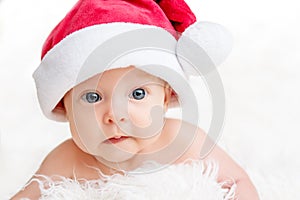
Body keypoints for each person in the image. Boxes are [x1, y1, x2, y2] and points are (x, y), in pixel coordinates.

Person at [12, 0, 259, 199]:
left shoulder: (185, 140)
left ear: (165, 98)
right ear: (63, 107)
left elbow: (237, 180)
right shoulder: (67, 159)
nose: (114, 115)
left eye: (137, 94)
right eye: (92, 97)